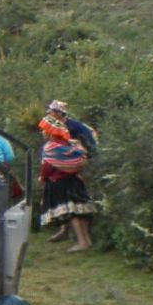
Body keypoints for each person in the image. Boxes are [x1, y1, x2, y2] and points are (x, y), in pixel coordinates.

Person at [38, 100, 96, 253]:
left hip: (60, 181)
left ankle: (82, 241)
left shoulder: (52, 147)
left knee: (72, 213)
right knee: (79, 210)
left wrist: (43, 179)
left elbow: (48, 166)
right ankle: (86, 240)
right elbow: (82, 153)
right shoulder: (71, 144)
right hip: (75, 179)